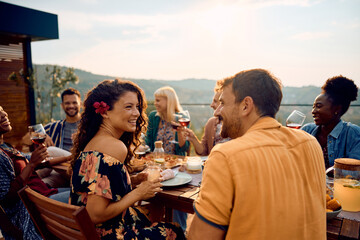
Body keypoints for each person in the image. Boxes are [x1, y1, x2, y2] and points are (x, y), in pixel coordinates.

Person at [188, 69, 326, 239]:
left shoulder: (225, 156)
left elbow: (200, 237)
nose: (217, 111)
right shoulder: (311, 144)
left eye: (223, 103)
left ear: (246, 105)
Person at [69, 79, 185, 240]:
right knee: (174, 230)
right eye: (128, 107)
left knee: (152, 215)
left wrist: (133, 180)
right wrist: (138, 193)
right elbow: (95, 214)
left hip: (86, 231)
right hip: (106, 234)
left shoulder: (94, 142)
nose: (137, 113)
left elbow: (98, 186)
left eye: (137, 107)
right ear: (104, 112)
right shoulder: (115, 147)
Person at [0, 105, 70, 240]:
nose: (4, 115)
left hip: (43, 192)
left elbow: (31, 161)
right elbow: (7, 198)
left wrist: (68, 158)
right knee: (86, 198)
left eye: (3, 110)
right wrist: (31, 164)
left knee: (82, 192)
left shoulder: (5, 146)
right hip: (38, 204)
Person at [301, 76, 360, 169]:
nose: (313, 111)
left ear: (337, 109)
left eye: (319, 106)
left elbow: (354, 172)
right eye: (313, 107)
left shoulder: (353, 134)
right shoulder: (306, 130)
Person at [185, 80, 230, 156]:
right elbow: (203, 152)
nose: (211, 105)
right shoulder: (211, 123)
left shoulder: (237, 125)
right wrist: (193, 138)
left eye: (215, 101)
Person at [144, 86, 189, 156]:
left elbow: (184, 148)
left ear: (169, 101)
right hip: (156, 160)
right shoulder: (153, 116)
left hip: (175, 162)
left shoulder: (181, 118)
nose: (155, 103)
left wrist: (180, 133)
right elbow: (148, 139)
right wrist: (143, 146)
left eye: (158, 100)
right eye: (155, 100)